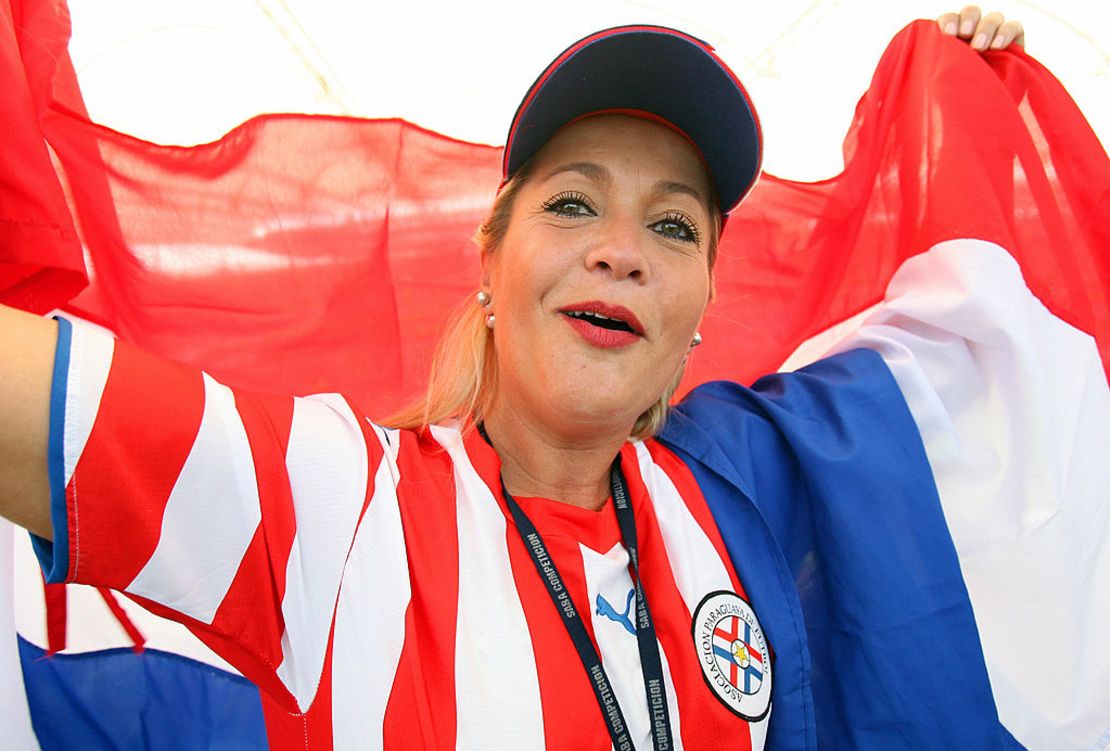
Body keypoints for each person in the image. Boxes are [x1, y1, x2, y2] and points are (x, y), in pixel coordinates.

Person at [1, 6, 1106, 750]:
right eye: (573, 202)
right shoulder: (337, 503)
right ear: (491, 259)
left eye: (672, 226)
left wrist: (972, 103)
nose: (620, 247)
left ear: (700, 312)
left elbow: (990, 385)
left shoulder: (752, 490)